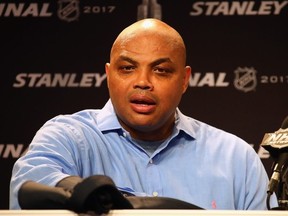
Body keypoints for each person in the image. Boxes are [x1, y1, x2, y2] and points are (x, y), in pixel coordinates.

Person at [10, 18, 278, 210]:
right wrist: (80, 190)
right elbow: (29, 186)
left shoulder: (236, 159)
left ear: (184, 80)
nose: (142, 81)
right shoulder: (68, 136)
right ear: (108, 75)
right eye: (127, 68)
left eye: (161, 70)